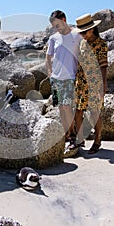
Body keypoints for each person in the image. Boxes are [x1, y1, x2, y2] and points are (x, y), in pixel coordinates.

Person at [72, 13, 108, 154]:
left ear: (92, 29)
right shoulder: (82, 43)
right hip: (80, 82)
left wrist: (103, 85)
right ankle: (80, 139)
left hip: (94, 82)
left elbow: (104, 66)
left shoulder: (101, 44)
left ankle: (98, 140)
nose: (82, 35)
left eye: (84, 32)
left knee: (94, 112)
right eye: (80, 32)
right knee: (78, 111)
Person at [45, 10, 81, 147]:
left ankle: (72, 136)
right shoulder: (53, 38)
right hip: (55, 79)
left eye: (57, 25)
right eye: (54, 26)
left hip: (70, 77)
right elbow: (48, 57)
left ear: (64, 20)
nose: (56, 28)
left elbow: (83, 54)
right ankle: (67, 134)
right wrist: (50, 73)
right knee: (60, 108)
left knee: (67, 107)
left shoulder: (77, 35)